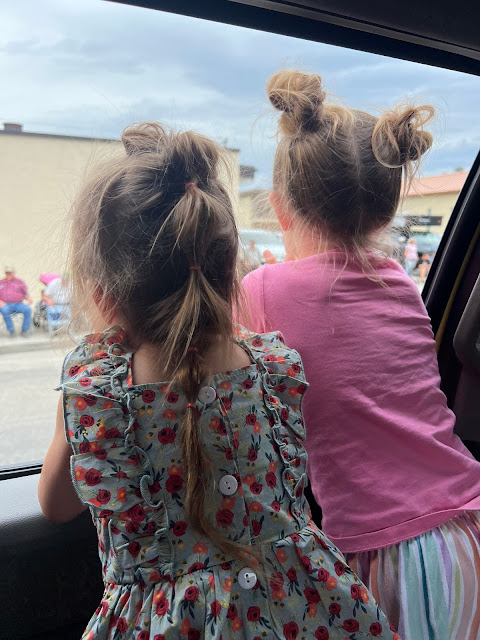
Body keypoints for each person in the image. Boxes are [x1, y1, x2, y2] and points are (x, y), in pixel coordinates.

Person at [37, 122, 397, 640]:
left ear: (102, 294)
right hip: (309, 613)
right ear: (230, 274)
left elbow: (55, 504)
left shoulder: (96, 394)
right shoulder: (275, 370)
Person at [242, 70, 480, 639]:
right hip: (468, 524)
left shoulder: (263, 290)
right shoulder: (398, 281)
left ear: (280, 209)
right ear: (384, 212)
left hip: (384, 554)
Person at [0, 266, 32, 337]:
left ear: (13, 273)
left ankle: (24, 330)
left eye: (10, 273)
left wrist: (28, 298)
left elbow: (25, 293)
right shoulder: (1, 282)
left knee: (27, 309)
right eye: (7, 273)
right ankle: (11, 330)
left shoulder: (19, 282)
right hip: (5, 304)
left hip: (18, 304)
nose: (8, 274)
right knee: (4, 310)